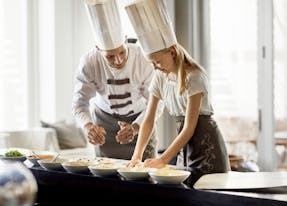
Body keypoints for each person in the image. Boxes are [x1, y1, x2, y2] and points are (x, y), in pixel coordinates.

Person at [125, 0, 230, 186]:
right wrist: (137, 155)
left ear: (172, 52)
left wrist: (163, 159)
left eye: (157, 61)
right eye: (151, 63)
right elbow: (148, 120)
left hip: (207, 149)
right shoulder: (160, 77)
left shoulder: (194, 76)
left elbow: (190, 126)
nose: (155, 67)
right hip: (184, 149)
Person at [72, 0, 161, 160]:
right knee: (107, 178)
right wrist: (88, 126)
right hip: (104, 123)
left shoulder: (143, 58)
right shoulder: (89, 62)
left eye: (121, 52)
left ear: (126, 40)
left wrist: (135, 127)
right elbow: (79, 104)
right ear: (98, 49)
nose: (118, 60)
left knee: (145, 176)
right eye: (110, 56)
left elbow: (157, 103)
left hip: (142, 120)